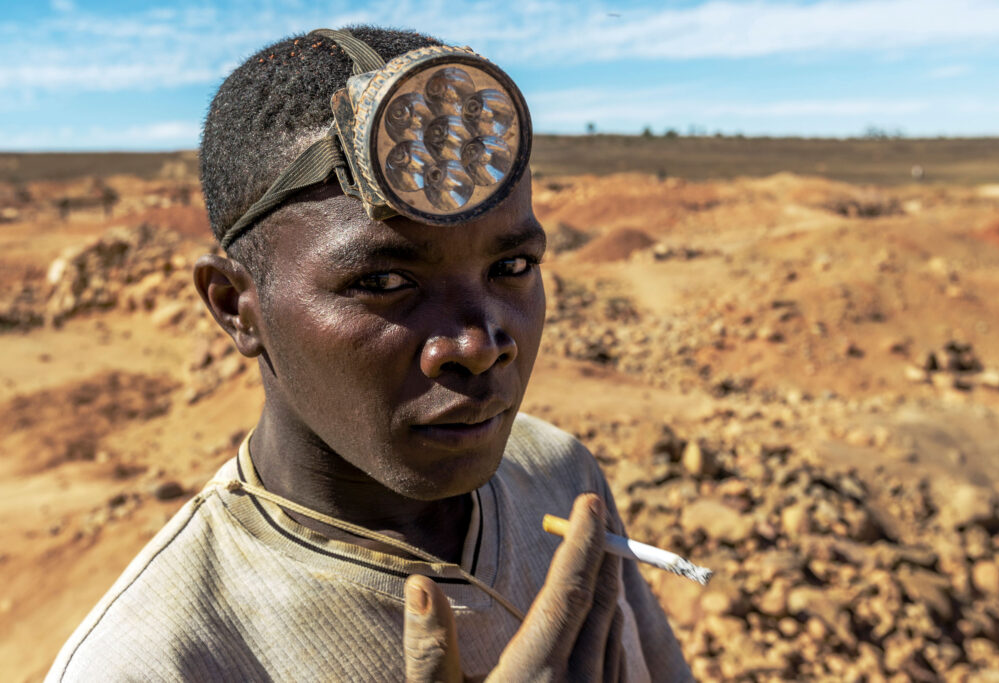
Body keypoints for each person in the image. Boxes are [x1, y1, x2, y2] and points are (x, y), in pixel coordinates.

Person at [46, 25, 692, 682]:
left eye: (513, 264)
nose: (479, 342)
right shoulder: (156, 659)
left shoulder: (556, 475)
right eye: (385, 282)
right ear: (236, 306)